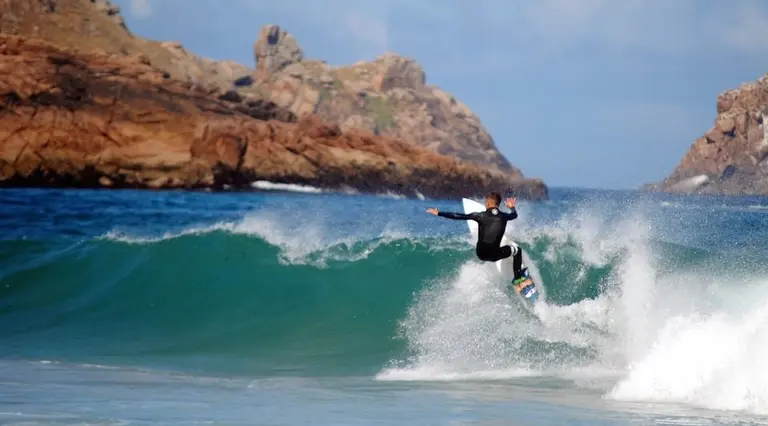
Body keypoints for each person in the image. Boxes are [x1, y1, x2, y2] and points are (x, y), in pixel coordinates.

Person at [426, 192, 530, 289]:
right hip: (495, 255)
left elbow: (458, 216)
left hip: (481, 254)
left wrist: (438, 213)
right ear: (498, 204)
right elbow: (514, 215)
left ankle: (512, 274)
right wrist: (512, 207)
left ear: (488, 203)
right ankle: (517, 278)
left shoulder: (480, 215)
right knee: (517, 250)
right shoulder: (504, 216)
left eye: (485, 202)